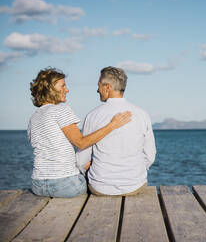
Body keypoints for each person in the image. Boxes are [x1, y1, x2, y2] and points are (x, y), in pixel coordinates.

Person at [28, 68, 131, 198]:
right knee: (98, 180)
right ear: (50, 89)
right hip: (65, 185)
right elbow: (81, 143)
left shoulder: (34, 117)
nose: (67, 90)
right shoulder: (60, 110)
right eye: (63, 86)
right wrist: (113, 125)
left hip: (37, 184)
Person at [76, 66, 156, 196]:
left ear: (107, 87)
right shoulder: (142, 114)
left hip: (100, 187)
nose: (97, 90)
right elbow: (150, 156)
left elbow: (81, 160)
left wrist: (89, 170)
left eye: (99, 86)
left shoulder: (93, 115)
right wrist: (135, 172)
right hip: (134, 186)